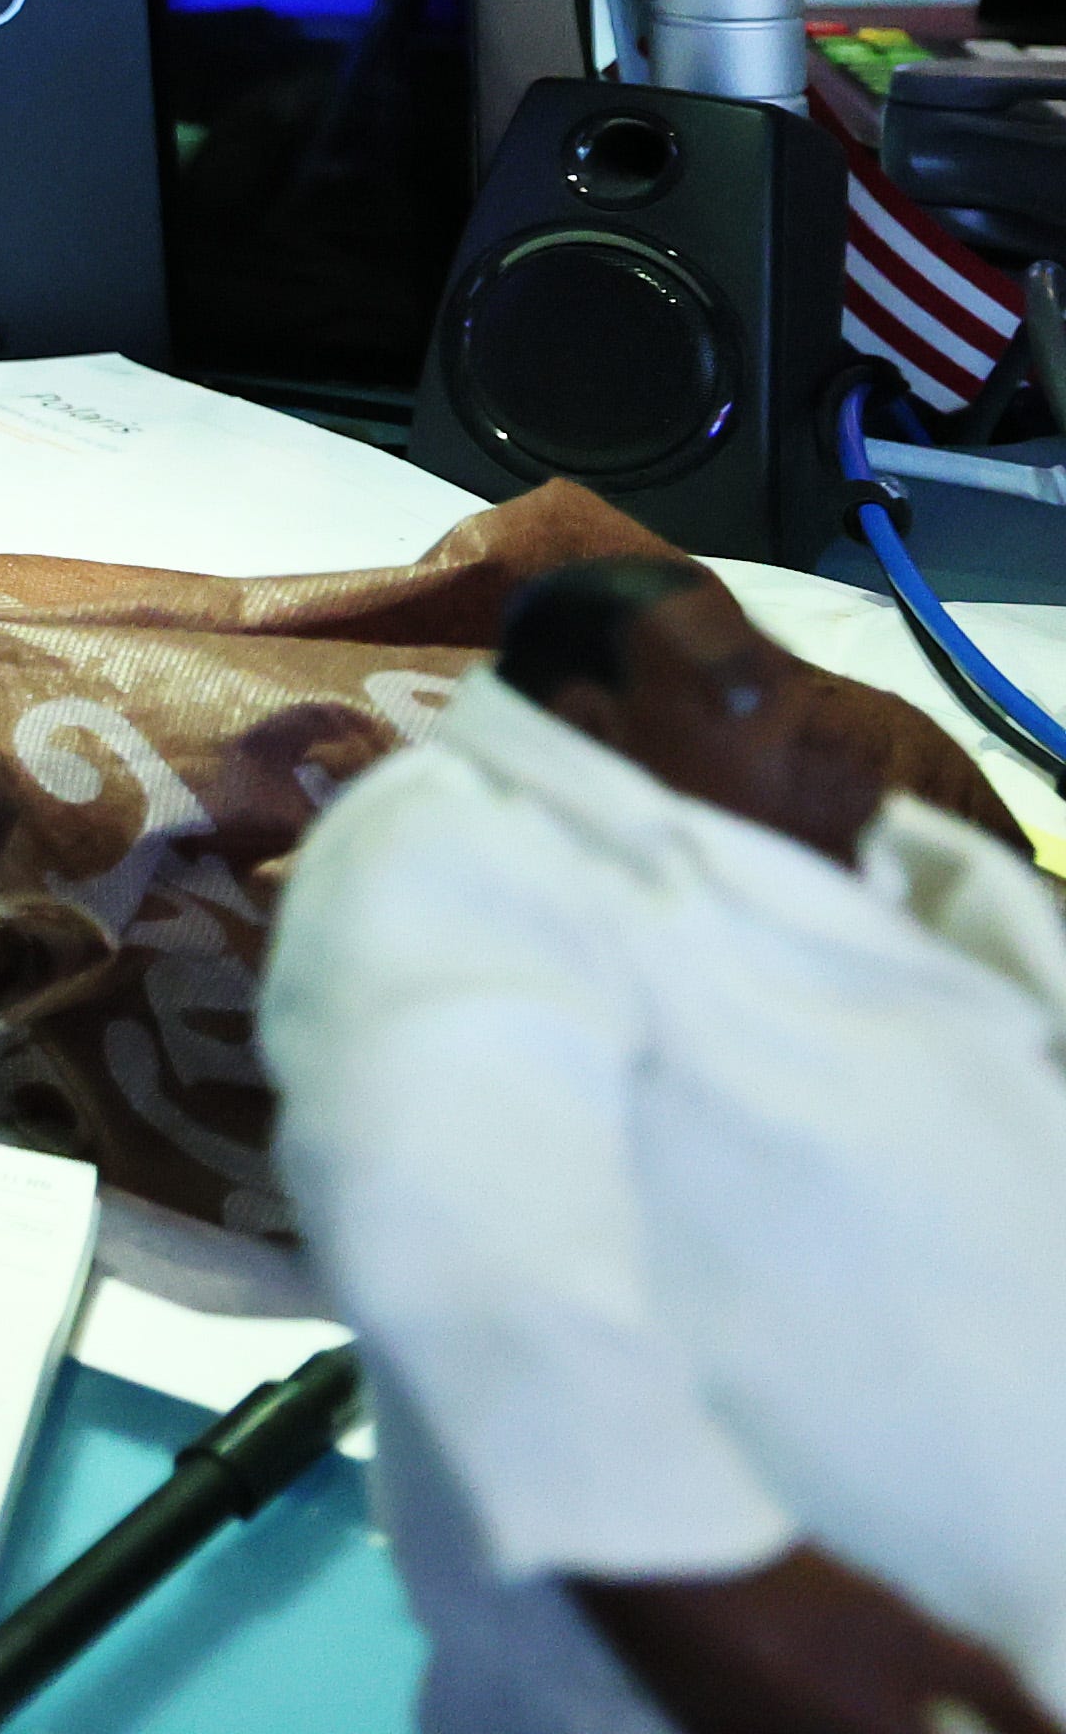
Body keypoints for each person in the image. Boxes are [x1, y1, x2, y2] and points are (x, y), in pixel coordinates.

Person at [267, 553, 1066, 1734]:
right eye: (744, 690)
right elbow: (466, 1227)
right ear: (599, 724)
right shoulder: (456, 856)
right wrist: (698, 1568)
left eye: (794, 675)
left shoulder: (901, 859)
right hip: (750, 1664)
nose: (819, 711)